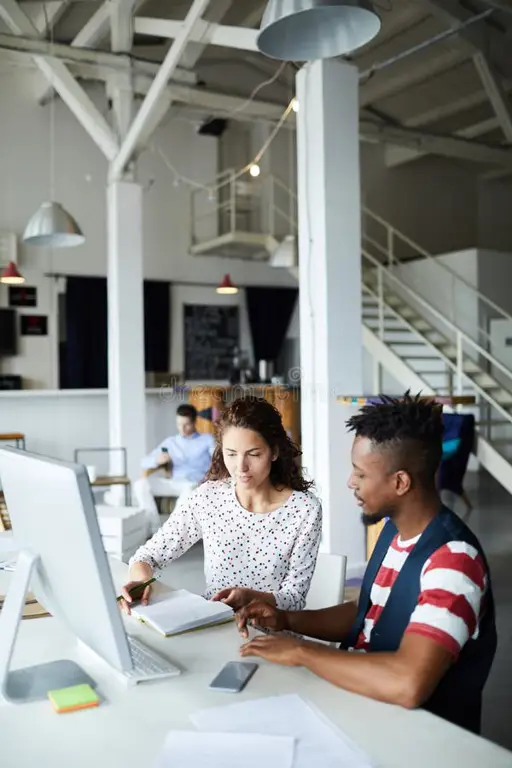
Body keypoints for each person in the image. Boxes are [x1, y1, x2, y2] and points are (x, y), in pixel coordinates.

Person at [236, 394, 497, 735]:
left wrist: (303, 651)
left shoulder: (454, 561)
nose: (350, 482)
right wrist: (286, 619)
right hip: (363, 710)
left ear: (400, 482)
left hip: (417, 739)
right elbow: (368, 610)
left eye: (360, 474)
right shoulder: (394, 530)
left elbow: (408, 683)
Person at [120, 395, 322, 615]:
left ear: (274, 452)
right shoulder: (208, 498)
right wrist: (141, 584)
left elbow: (294, 598)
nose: (241, 467)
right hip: (213, 623)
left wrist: (252, 598)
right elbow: (147, 556)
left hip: (270, 636)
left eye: (253, 454)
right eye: (231, 454)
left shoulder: (304, 510)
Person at [133, 403, 215, 534]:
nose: (182, 429)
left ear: (194, 422)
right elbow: (144, 462)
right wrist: (157, 460)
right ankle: (155, 529)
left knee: (189, 489)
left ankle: (172, 532)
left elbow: (219, 460)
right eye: (179, 424)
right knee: (140, 484)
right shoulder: (171, 442)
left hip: (194, 484)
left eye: (186, 424)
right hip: (173, 482)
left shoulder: (206, 440)